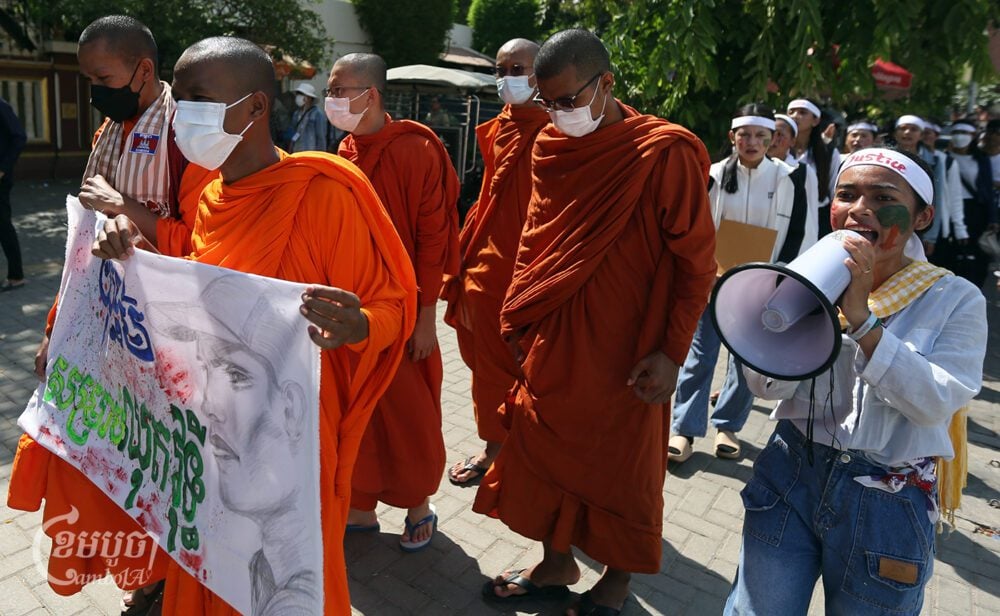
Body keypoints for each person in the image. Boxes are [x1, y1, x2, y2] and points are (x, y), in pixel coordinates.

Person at [91, 36, 417, 615]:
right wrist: (130, 248)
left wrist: (360, 325)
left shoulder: (322, 194)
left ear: (256, 108)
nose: (180, 116)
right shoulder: (212, 195)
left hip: (291, 437)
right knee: (213, 563)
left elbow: (391, 303)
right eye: (180, 98)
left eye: (198, 99)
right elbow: (194, 278)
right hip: (212, 428)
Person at [473, 29, 717, 615]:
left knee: (623, 470)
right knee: (539, 446)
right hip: (556, 341)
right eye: (546, 103)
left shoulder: (664, 153)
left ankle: (616, 580)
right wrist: (520, 319)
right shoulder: (548, 147)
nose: (557, 115)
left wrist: (673, 352)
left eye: (567, 101)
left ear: (605, 83)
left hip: (632, 352)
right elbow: (536, 242)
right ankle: (556, 562)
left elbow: (697, 262)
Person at [724, 146, 986, 615]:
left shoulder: (955, 298)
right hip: (791, 471)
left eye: (882, 197)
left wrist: (862, 322)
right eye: (847, 195)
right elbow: (765, 388)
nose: (859, 209)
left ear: (922, 217)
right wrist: (783, 321)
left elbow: (934, 402)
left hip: (888, 498)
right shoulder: (809, 277)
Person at [8, 15, 197, 614]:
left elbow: (205, 246)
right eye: (87, 80)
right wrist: (53, 330)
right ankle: (142, 577)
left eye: (104, 78)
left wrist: (128, 210)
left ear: (144, 70)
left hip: (168, 338)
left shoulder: (188, 136)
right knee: (110, 463)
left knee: (162, 467)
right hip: (104, 326)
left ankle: (166, 579)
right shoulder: (107, 134)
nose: (95, 93)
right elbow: (80, 242)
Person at [326, 52, 459, 551]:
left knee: (410, 418)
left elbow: (432, 242)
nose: (332, 100)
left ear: (371, 95)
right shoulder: (346, 149)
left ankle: (419, 507)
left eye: (340, 91)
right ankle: (361, 509)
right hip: (357, 310)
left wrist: (427, 320)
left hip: (404, 313)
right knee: (358, 413)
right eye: (332, 92)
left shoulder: (417, 150)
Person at [149, 276, 320, 615]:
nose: (210, 404)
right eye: (206, 368)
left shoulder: (298, 601)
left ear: (292, 408)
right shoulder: (261, 567)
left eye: (236, 375)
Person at [669, 104, 817, 464]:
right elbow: (697, 229)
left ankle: (728, 427)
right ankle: (683, 430)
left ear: (773, 140)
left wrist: (785, 281)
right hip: (712, 281)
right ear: (732, 137)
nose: (752, 142)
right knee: (700, 355)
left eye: (761, 137)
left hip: (762, 285)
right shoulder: (713, 175)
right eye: (745, 135)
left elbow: (803, 233)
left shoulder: (791, 177)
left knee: (744, 359)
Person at [442, 38, 549, 486]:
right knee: (488, 375)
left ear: (541, 74)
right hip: (486, 271)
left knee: (535, 375)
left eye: (517, 68)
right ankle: (495, 451)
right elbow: (488, 198)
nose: (506, 78)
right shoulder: (502, 126)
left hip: (535, 274)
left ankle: (528, 459)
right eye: (501, 69)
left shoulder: (559, 129)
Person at [893, 114, 967, 269]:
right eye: (903, 129)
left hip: (922, 230)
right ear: (895, 133)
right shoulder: (883, 157)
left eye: (913, 129)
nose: (907, 133)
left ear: (921, 134)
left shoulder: (937, 161)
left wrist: (931, 236)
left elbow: (937, 198)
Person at [946, 120, 997, 287]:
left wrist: (993, 218)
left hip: (975, 210)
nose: (960, 136)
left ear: (973, 136)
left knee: (977, 254)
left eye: (965, 132)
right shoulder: (943, 158)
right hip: (949, 208)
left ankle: (974, 288)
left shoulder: (981, 159)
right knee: (952, 252)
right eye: (956, 132)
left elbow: (988, 190)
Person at [787, 98, 840, 235]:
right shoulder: (779, 149)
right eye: (791, 112)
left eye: (802, 112)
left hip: (817, 216)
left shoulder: (829, 153)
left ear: (815, 121)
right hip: (784, 214)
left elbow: (834, 190)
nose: (794, 116)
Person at [0, 95, 27, 290]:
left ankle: (16, 276)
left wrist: (3, 168)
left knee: (3, 225)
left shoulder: (1, 106)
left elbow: (19, 137)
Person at [288, 82, 326, 153]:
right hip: (296, 152)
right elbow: (293, 135)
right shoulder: (296, 114)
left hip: (310, 153)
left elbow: (321, 138)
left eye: (301, 94)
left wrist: (321, 155)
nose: (298, 96)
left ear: (309, 98)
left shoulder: (317, 114)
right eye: (298, 94)